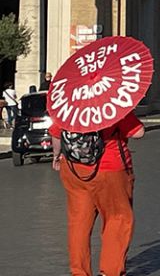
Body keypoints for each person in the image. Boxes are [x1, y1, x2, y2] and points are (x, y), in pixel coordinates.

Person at [50, 112, 144, 276]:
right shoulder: (112, 104)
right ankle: (110, 271)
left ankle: (79, 272)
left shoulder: (70, 104)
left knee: (79, 222)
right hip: (109, 168)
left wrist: (56, 156)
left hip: (73, 168)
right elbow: (138, 132)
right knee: (117, 219)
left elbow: (56, 134)